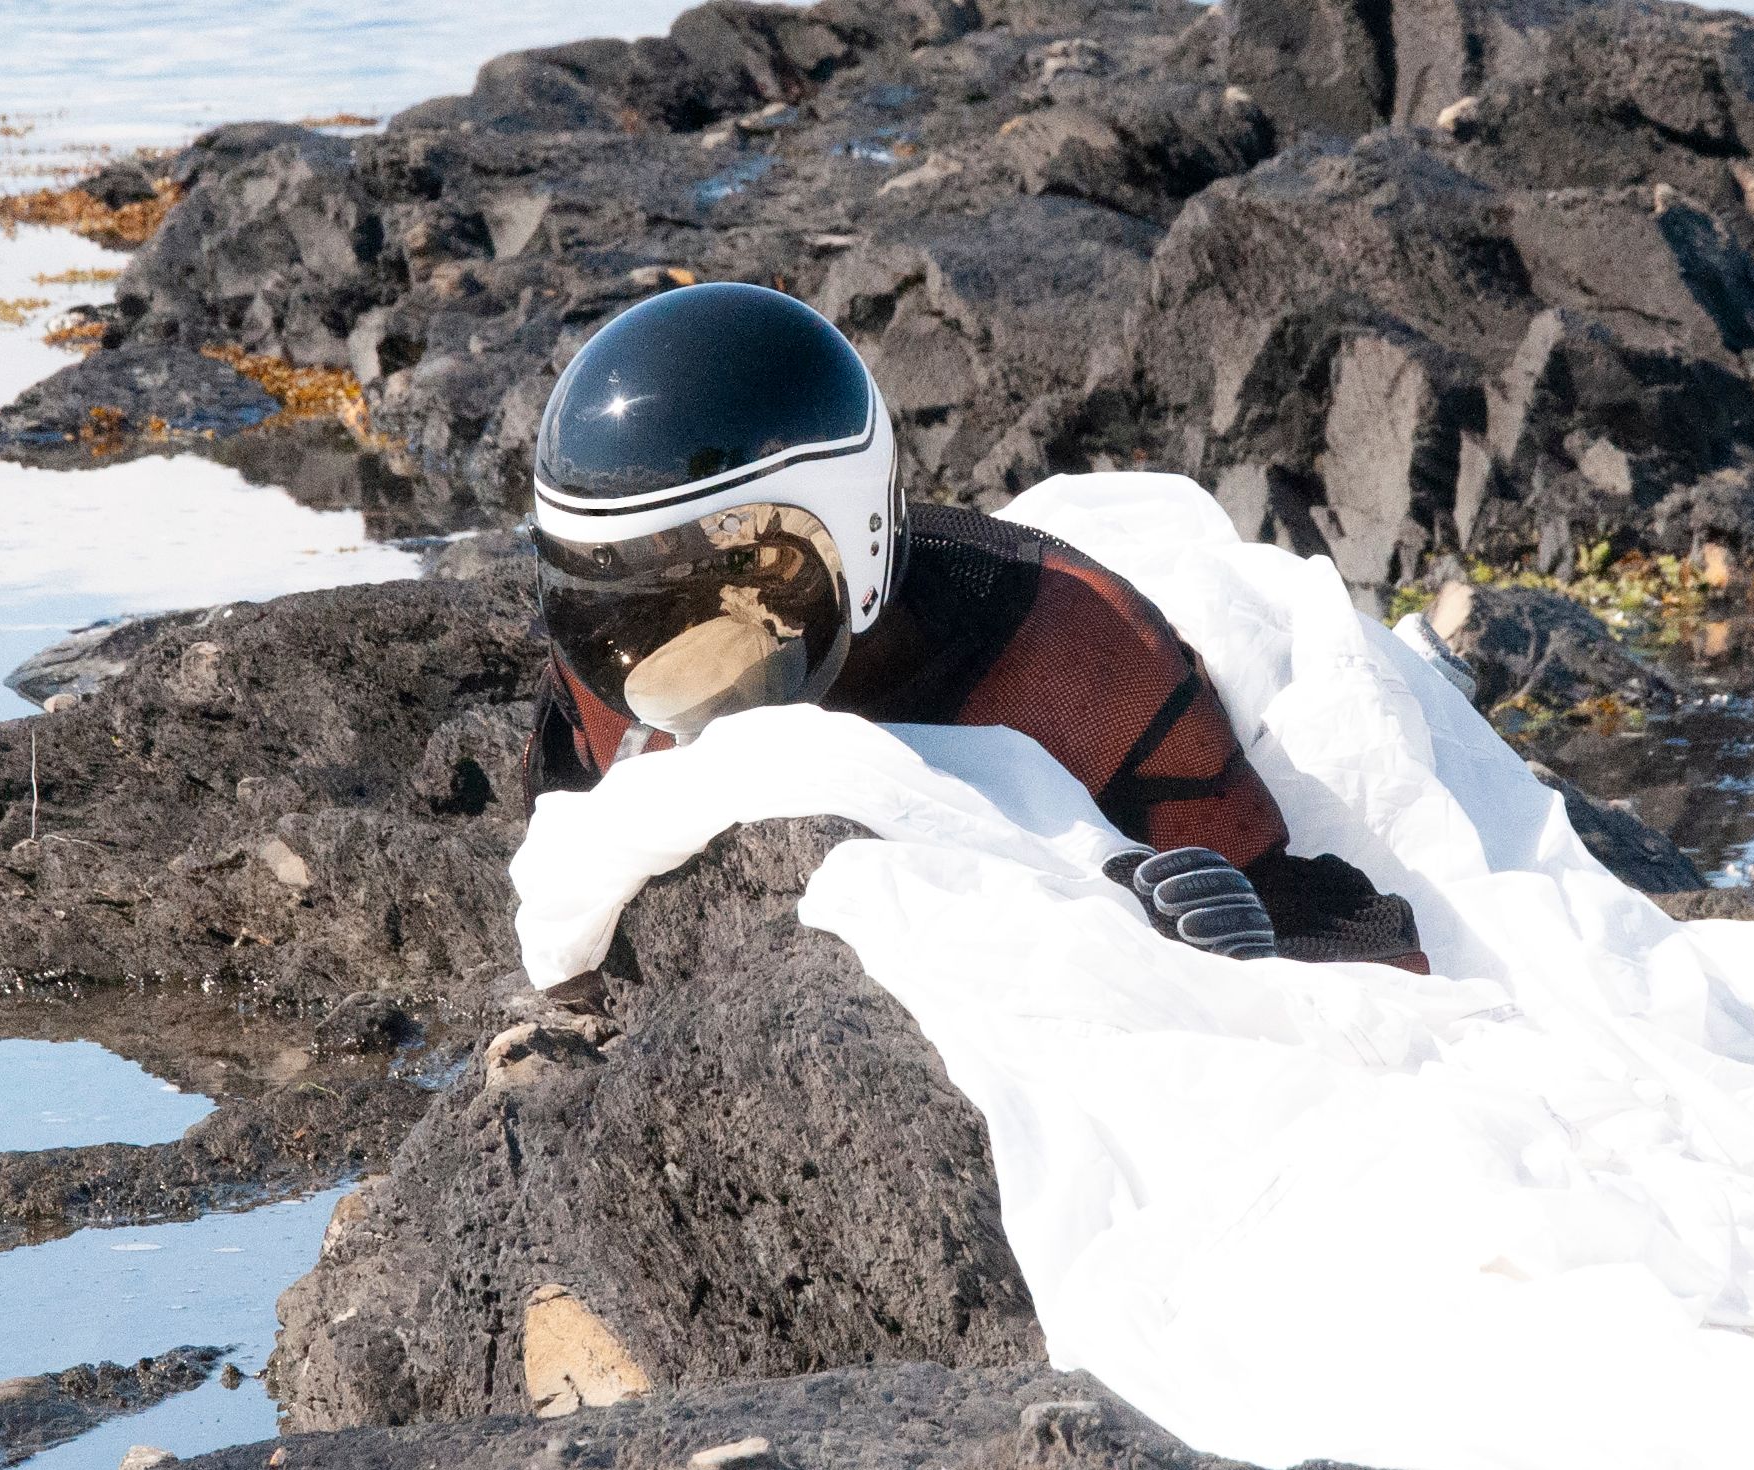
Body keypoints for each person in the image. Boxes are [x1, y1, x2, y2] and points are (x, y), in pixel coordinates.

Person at [524, 282, 1427, 972]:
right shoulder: (617, 670)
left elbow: (1344, 930)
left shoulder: (1082, 659)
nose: (652, 646)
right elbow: (556, 883)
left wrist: (1223, 931)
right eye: (615, 599)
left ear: (856, 536)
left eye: (732, 577)